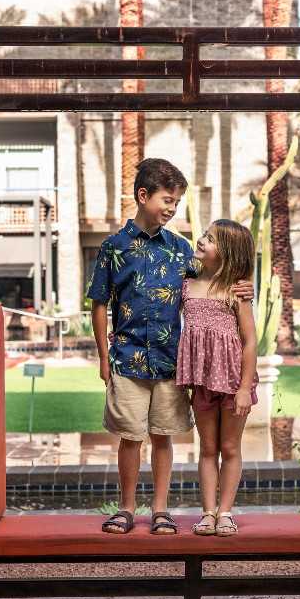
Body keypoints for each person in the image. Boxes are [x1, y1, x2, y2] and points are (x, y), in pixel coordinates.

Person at [88, 159, 252, 535]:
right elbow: (99, 304)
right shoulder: (113, 248)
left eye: (177, 202)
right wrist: (103, 357)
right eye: (167, 200)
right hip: (126, 359)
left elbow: (218, 275)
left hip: (170, 363)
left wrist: (246, 285)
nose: (172, 208)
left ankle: (160, 510)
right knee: (130, 437)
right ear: (143, 195)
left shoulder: (181, 249)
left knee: (163, 435)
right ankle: (126, 508)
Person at [176, 220, 258, 537]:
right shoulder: (186, 285)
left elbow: (249, 341)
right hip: (202, 382)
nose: (201, 240)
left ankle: (226, 513)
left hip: (234, 381)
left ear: (227, 253)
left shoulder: (238, 291)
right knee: (208, 448)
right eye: (204, 235)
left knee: (230, 447)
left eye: (210, 239)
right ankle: (208, 513)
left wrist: (244, 388)